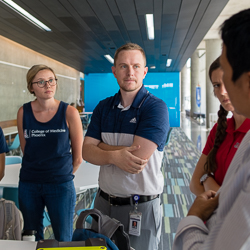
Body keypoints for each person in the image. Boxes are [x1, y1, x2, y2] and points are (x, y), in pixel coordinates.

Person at [172, 8, 250, 249]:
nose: (223, 90)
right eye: (217, 84)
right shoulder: (222, 129)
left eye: (226, 79)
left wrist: (192, 218)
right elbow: (196, 181)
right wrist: (208, 181)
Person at [82, 43, 169, 250]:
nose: (130, 72)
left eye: (136, 66)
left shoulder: (155, 108)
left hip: (139, 207)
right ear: (114, 71)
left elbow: (135, 160)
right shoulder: (103, 107)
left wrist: (101, 147)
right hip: (103, 203)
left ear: (145, 71)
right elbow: (86, 151)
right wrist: (115, 156)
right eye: (123, 66)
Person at [17, 65, 83, 241]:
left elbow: (78, 158)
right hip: (29, 185)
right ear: (31, 87)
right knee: (30, 238)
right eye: (41, 82)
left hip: (60, 185)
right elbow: (26, 150)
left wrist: (59, 176)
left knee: (63, 238)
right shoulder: (24, 112)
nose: (48, 85)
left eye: (51, 80)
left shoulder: (68, 112)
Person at [190, 57, 250, 196]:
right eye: (217, 85)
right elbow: (194, 184)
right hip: (214, 218)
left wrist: (208, 182)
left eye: (228, 82)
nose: (222, 91)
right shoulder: (219, 129)